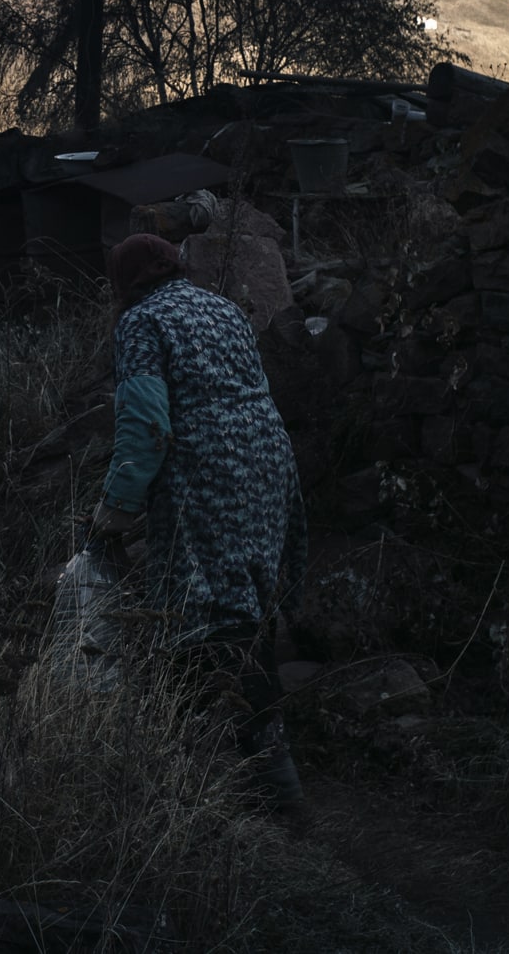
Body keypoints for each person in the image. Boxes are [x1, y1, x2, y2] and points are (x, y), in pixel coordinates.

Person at [90, 231, 311, 828]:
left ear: (124, 282)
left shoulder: (141, 322)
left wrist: (116, 508)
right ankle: (210, 765)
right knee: (249, 606)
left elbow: (146, 423)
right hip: (267, 460)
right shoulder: (221, 308)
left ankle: (273, 794)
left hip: (209, 470)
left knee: (213, 618)